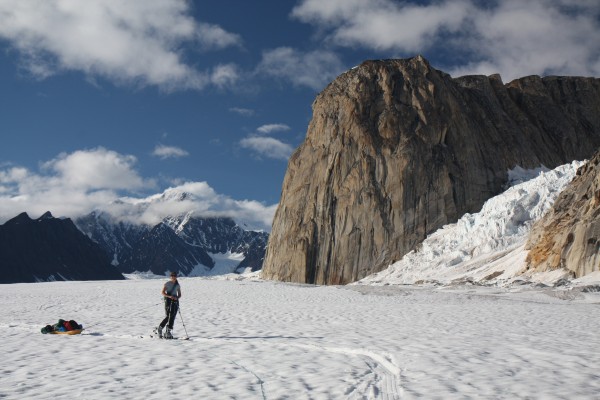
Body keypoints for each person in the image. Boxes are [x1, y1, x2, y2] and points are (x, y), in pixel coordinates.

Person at [155, 271, 181, 339]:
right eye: (172, 276)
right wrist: (169, 297)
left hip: (175, 301)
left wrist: (176, 297)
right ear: (170, 276)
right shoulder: (167, 284)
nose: (173, 277)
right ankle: (160, 328)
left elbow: (180, 294)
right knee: (168, 316)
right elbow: (163, 292)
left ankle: (168, 331)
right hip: (168, 301)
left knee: (173, 316)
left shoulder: (177, 285)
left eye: (174, 276)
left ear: (176, 276)